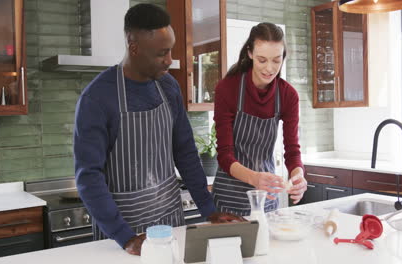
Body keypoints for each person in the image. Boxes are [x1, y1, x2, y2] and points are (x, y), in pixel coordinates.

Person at [73, 3, 243, 256]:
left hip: (170, 223)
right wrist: (125, 237)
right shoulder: (97, 98)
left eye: (171, 50)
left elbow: (185, 154)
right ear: (134, 46)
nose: (170, 59)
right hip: (124, 232)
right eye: (161, 53)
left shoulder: (169, 88)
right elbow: (88, 177)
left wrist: (209, 210)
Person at [212, 22, 307, 216]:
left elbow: (292, 151)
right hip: (228, 201)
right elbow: (224, 155)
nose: (269, 69)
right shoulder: (228, 89)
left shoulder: (288, 95)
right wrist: (254, 178)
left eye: (276, 60)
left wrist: (298, 176)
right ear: (250, 53)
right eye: (262, 60)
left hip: (266, 200)